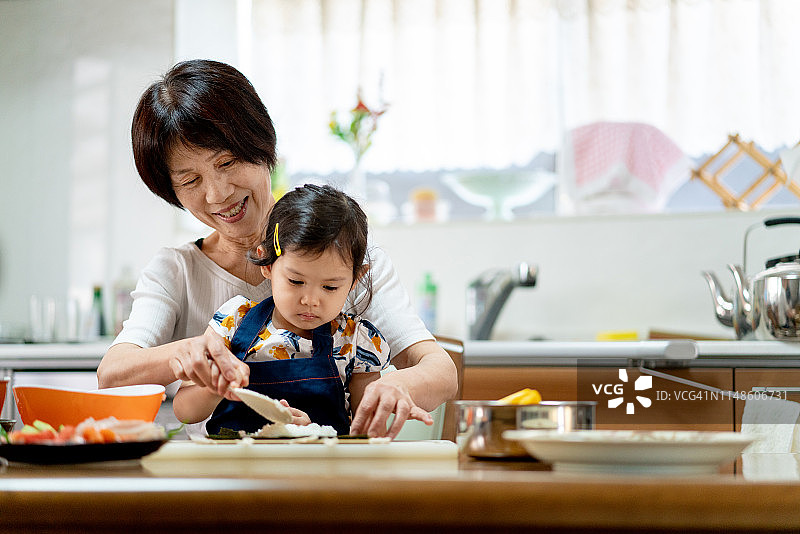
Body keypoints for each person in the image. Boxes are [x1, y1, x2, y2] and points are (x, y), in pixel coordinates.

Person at [96, 59, 457, 438]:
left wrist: (396, 386)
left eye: (228, 161)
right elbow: (113, 372)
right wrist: (187, 353)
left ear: (262, 146)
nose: (217, 194)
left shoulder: (350, 261)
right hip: (215, 484)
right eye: (191, 180)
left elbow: (440, 371)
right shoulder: (177, 271)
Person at [175, 184, 426, 435]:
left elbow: (366, 433)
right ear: (268, 266)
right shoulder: (234, 320)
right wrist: (216, 385)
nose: (310, 300)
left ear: (355, 279)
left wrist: (313, 432)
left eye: (329, 287)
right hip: (236, 469)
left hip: (321, 469)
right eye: (296, 282)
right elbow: (185, 411)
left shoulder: (356, 342)